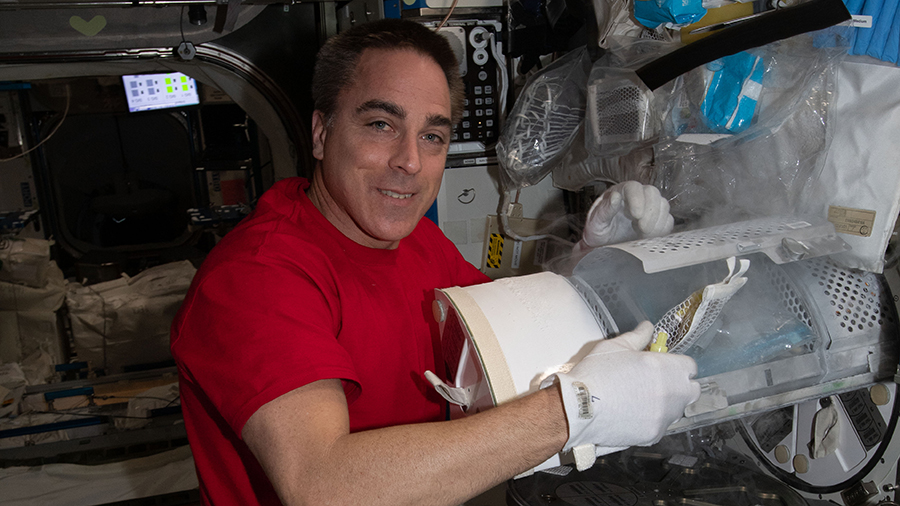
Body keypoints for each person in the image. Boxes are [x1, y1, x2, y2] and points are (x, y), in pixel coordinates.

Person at [170, 18, 699, 506]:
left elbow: (505, 352)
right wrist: (574, 410)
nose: (409, 162)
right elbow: (321, 485)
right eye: (381, 124)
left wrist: (599, 265)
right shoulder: (257, 276)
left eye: (432, 136)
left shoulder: (418, 244)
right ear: (321, 132)